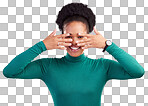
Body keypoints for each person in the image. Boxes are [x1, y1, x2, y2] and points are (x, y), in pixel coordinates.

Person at [3, 2, 145, 106]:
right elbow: (10, 72)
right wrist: (42, 46)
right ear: (61, 36)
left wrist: (108, 45)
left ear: (90, 37)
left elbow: (137, 72)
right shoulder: (47, 66)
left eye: (80, 37)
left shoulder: (102, 66)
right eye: (69, 36)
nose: (74, 42)